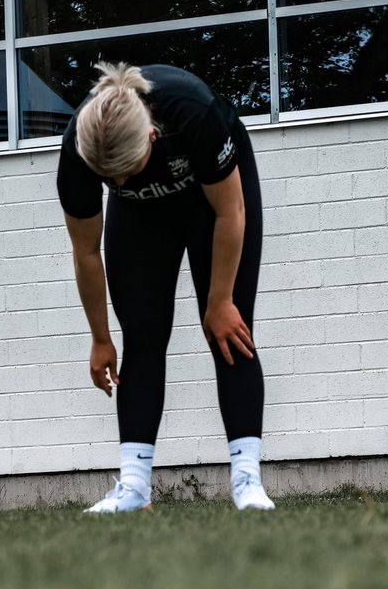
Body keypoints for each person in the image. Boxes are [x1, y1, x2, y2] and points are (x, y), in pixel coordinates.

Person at [57, 61, 275, 512]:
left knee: (229, 331)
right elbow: (86, 252)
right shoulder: (78, 150)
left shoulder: (193, 111)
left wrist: (218, 301)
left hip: (212, 205)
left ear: (152, 137)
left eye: (125, 170)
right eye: (108, 177)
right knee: (141, 337)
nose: (117, 183)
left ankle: (247, 482)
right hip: (142, 218)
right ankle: (133, 488)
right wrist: (100, 338)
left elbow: (231, 214)